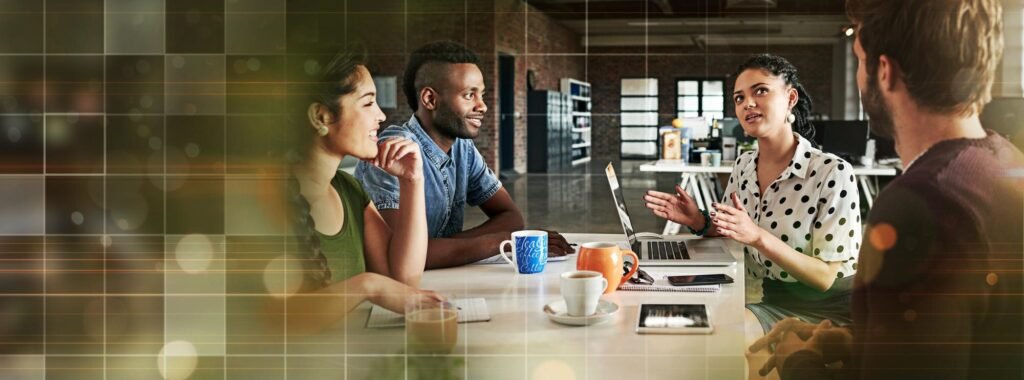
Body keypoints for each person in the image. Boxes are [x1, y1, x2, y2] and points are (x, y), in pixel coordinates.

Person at [751, 0, 1024, 378]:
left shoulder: (922, 207)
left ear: (885, 72)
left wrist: (798, 359)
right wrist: (855, 342)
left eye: (859, 60)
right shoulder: (1004, 163)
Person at [643, 54, 863, 379]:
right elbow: (735, 231)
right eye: (739, 97)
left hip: (828, 310)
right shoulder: (744, 165)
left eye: (760, 91)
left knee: (731, 337)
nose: (748, 103)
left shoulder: (831, 172)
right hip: (768, 298)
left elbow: (825, 277)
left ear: (790, 98)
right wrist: (698, 221)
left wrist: (759, 236)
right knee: (698, 326)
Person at [355, 41, 572, 268]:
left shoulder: (462, 148)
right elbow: (395, 256)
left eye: (482, 94)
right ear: (430, 99)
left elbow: (511, 217)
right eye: (469, 95)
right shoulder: (394, 152)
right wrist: (498, 241)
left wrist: (436, 246)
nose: (483, 106)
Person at [271, 51, 442, 335]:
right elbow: (270, 322)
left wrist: (413, 180)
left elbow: (402, 284)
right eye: (368, 103)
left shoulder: (349, 189)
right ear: (321, 116)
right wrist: (367, 285)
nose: (381, 115)